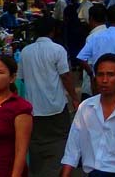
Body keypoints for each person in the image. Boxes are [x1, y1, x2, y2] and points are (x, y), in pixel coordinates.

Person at [21, 18, 80, 177]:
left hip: (34, 109)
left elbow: (21, 78)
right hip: (56, 107)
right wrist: (74, 97)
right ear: (52, 31)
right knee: (60, 143)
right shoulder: (57, 50)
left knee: (36, 146)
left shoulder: (25, 52)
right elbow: (66, 76)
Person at [76, 5, 115, 96]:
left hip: (100, 84)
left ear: (106, 18)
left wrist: (92, 74)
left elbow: (81, 58)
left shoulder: (94, 37)